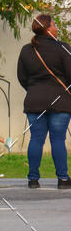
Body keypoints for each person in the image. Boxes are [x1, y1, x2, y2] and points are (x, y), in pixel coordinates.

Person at [17, 14, 71, 189]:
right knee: (58, 140)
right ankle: (63, 179)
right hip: (60, 102)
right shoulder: (63, 48)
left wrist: (34, 90)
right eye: (54, 25)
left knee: (36, 139)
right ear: (48, 29)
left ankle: (33, 179)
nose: (56, 28)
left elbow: (22, 77)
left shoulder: (26, 50)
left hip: (34, 101)